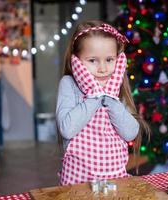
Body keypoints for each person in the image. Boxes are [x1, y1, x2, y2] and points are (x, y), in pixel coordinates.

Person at [56, 20, 150, 185]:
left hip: (114, 182)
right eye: (92, 60)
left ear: (118, 60)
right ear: (76, 61)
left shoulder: (116, 87)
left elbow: (130, 133)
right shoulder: (69, 84)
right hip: (76, 184)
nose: (103, 68)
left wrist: (110, 98)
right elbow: (67, 129)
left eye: (109, 59)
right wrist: (95, 95)